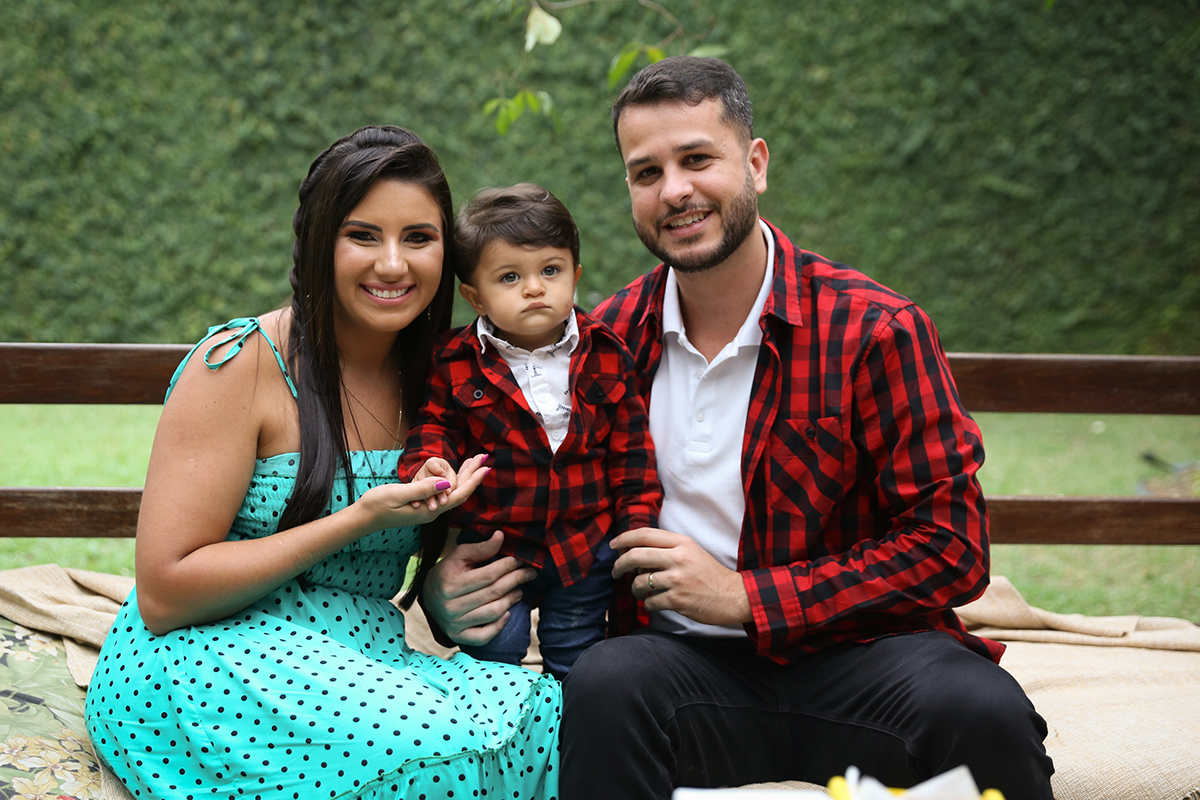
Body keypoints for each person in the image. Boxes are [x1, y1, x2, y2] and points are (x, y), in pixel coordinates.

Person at [421, 58, 1055, 799]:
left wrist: (748, 599)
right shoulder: (606, 341)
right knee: (602, 683)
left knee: (981, 709)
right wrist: (447, 589)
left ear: (755, 164)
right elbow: (522, 491)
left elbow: (950, 548)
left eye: (697, 159)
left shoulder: (875, 328)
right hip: (680, 672)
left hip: (866, 658)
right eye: (646, 172)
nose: (675, 190)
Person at [84, 126, 561, 800]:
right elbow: (166, 593)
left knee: (540, 718)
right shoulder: (243, 363)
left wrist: (445, 599)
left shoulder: (449, 379)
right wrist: (356, 520)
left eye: (418, 239)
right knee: (435, 750)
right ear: (317, 242)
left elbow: (437, 564)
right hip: (212, 650)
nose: (393, 264)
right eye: (362, 235)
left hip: (362, 654)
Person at [400, 183, 662, 679]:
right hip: (499, 544)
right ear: (475, 297)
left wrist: (635, 526)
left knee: (577, 650)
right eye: (510, 277)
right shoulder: (456, 362)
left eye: (550, 271)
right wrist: (428, 463)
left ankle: (571, 734)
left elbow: (632, 456)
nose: (535, 288)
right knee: (499, 643)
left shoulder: (606, 353)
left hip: (584, 541)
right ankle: (497, 732)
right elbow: (436, 424)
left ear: (575, 276)